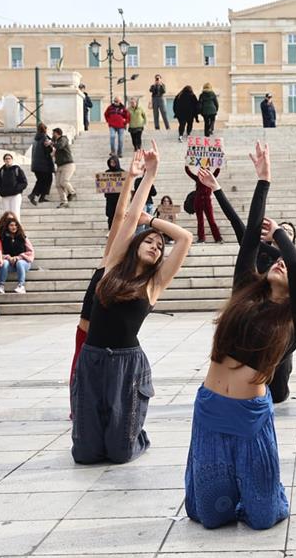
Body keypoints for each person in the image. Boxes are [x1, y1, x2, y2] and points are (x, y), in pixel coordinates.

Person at [184, 142, 296, 529]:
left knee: (261, 516)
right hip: (209, 408)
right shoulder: (245, 287)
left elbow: (292, 259)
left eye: (289, 265)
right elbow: (247, 243)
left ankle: (262, 494)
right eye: (273, 257)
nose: (278, 261)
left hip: (250, 414)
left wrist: (281, 236)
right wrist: (262, 182)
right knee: (210, 514)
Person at [71, 141, 193, 465]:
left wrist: (151, 221)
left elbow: (184, 239)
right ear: (135, 245)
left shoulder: (154, 283)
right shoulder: (112, 264)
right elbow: (125, 220)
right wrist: (143, 177)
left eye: (158, 247)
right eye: (149, 242)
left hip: (127, 365)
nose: (155, 246)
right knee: (84, 455)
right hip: (93, 358)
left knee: (121, 453)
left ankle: (136, 435)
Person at [197, 163, 296, 404]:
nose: (281, 232)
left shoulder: (293, 267)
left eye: (287, 232)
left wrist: (279, 235)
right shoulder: (261, 254)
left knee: (277, 388)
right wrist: (217, 189)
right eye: (279, 229)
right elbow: (240, 227)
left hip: (276, 328)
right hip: (254, 315)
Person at [70, 152, 143, 418]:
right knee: (80, 393)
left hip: (108, 342)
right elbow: (121, 216)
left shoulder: (130, 272)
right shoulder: (108, 260)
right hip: (85, 337)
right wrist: (131, 179)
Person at [0, 216, 34, 295]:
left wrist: (19, 257)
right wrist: (7, 257)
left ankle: (21, 286)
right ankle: (1, 286)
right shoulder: (3, 238)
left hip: (23, 263)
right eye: (11, 225)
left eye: (15, 225)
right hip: (9, 264)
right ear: (7, 226)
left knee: (20, 263)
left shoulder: (23, 237)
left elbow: (31, 252)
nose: (14, 227)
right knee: (5, 262)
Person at [185, 164, 223, 243]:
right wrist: (186, 164)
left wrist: (218, 165)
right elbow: (188, 172)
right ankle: (201, 238)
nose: (203, 172)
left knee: (211, 220)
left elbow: (217, 172)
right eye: (202, 170)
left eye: (206, 170)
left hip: (207, 201)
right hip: (198, 200)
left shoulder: (211, 178)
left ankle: (218, 238)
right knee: (200, 221)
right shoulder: (197, 178)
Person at [28, 123, 55, 206]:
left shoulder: (36, 139)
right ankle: (33, 195)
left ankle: (40, 196)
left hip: (36, 165)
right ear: (45, 129)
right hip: (44, 165)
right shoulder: (44, 138)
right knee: (47, 180)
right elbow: (48, 151)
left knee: (41, 180)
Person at [0, 153, 28, 219]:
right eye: (6, 159)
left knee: (15, 213)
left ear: (12, 160)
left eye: (9, 158)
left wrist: (17, 189)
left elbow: (24, 182)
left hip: (15, 196)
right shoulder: (1, 170)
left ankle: (17, 228)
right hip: (5, 196)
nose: (8, 160)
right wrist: (1, 191)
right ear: (4, 160)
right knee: (7, 214)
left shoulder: (17, 169)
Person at [52, 128, 76, 209]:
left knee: (64, 181)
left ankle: (72, 192)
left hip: (68, 164)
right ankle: (64, 201)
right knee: (58, 184)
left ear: (58, 133)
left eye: (54, 133)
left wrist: (51, 143)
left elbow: (60, 146)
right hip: (59, 165)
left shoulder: (63, 139)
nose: (53, 135)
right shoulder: (56, 142)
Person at [103, 156, 124, 230]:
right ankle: (110, 230)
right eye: (111, 162)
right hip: (110, 199)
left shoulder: (122, 172)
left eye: (114, 162)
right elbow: (104, 185)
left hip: (120, 198)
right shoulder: (107, 173)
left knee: (120, 215)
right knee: (111, 216)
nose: (112, 164)